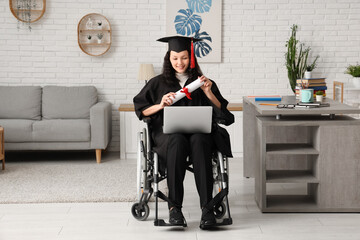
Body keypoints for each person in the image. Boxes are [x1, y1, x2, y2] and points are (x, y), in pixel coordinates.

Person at [133, 36, 234, 229]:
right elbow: (141, 110)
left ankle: (207, 208)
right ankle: (175, 209)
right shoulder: (157, 83)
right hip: (168, 137)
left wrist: (208, 93)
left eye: (184, 58)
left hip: (200, 135)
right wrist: (160, 104)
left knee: (199, 140)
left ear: (191, 58)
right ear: (169, 59)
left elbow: (225, 116)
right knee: (177, 140)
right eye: (175, 58)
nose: (180, 62)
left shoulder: (203, 83)